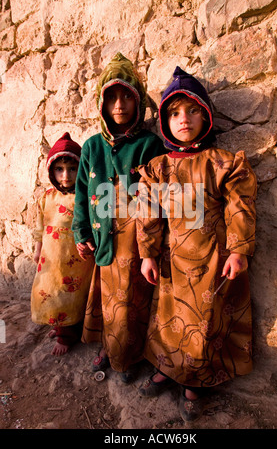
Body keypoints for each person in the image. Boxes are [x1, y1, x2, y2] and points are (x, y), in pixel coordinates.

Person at [136, 67, 257, 421]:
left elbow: (240, 205)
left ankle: (194, 382)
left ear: (205, 115)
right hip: (172, 260)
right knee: (167, 318)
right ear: (163, 122)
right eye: (173, 113)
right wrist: (147, 254)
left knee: (204, 323)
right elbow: (149, 213)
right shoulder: (158, 169)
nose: (183, 119)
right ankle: (166, 368)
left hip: (210, 262)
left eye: (191, 111)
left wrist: (238, 250)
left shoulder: (221, 163)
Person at [71, 53, 166, 383]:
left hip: (135, 242)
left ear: (138, 101)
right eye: (111, 95)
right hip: (103, 240)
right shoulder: (91, 147)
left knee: (130, 301)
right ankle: (109, 348)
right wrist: (81, 230)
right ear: (101, 102)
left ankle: (127, 357)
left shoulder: (149, 145)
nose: (120, 103)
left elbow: (156, 197)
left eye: (127, 95)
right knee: (106, 300)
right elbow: (82, 193)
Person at [31, 133, 94, 356]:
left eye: (72, 169)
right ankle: (58, 326)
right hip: (51, 258)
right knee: (50, 292)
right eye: (59, 169)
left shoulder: (84, 197)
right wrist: (38, 250)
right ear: (52, 171)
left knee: (71, 297)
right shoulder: (47, 197)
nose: (65, 175)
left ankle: (67, 334)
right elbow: (40, 226)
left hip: (75, 262)